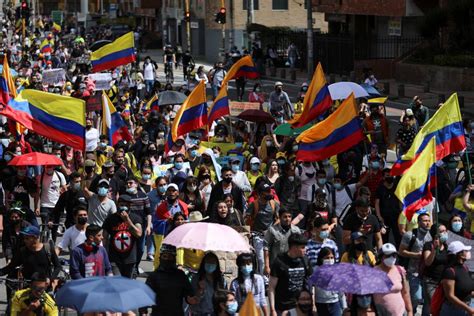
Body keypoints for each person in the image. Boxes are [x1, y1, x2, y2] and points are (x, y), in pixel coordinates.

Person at [146, 244, 198, 316]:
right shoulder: (154, 276)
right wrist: (143, 311)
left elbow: (189, 294)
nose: (167, 259)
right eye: (164, 256)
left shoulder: (180, 275)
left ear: (174, 258)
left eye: (170, 257)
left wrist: (190, 299)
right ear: (160, 257)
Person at [269, 233, 312, 315]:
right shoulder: (279, 262)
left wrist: (312, 303)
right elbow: (271, 288)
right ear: (294, 248)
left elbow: (310, 284)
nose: (305, 249)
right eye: (302, 247)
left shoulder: (305, 261)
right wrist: (272, 309)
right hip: (282, 307)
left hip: (301, 306)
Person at [398, 212, 432, 313]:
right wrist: (416, 255)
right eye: (425, 221)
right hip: (413, 271)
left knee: (428, 300)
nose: (427, 223)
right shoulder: (410, 235)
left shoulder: (432, 235)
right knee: (417, 297)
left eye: (429, 221)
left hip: (427, 272)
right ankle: (410, 312)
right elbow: (401, 251)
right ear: (419, 222)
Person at [102, 194, 143, 278]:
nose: (124, 207)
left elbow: (139, 234)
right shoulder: (110, 219)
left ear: (130, 205)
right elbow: (104, 238)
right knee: (117, 283)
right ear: (117, 204)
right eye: (122, 204)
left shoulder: (135, 218)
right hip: (114, 258)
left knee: (128, 286)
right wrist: (104, 255)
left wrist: (127, 220)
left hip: (130, 259)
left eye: (126, 205)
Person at [373, 243, 413, 316]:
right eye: (388, 255)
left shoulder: (400, 270)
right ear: (381, 257)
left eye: (394, 255)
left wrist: (410, 311)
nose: (391, 258)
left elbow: (405, 293)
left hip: (400, 313)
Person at [439, 241, 474, 315]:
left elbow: (466, 288)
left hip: (467, 307)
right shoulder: (450, 271)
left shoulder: (465, 268)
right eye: (465, 251)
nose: (468, 252)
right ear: (460, 254)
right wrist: (469, 309)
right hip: (453, 311)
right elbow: (450, 296)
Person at [264, 208, 302, 276]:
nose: (287, 219)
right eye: (285, 217)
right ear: (280, 217)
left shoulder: (296, 231)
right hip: (275, 266)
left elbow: (300, 248)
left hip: (290, 266)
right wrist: (267, 266)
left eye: (289, 216)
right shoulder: (272, 230)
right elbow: (266, 248)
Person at [421, 224, 449, 316]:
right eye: (441, 231)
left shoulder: (446, 246)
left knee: (437, 306)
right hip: (431, 282)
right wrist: (434, 249)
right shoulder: (428, 245)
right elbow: (428, 262)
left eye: (445, 231)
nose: (444, 233)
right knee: (435, 306)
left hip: (442, 283)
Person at [314, 247, 346, 316]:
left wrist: (344, 306)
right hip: (320, 304)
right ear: (321, 258)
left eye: (332, 257)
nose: (330, 260)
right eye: (327, 258)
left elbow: (341, 291)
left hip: (335, 304)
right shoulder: (315, 270)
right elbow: (312, 289)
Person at [375, 168, 402, 246]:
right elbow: (377, 203)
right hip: (385, 217)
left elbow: (400, 200)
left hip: (396, 216)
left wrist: (401, 212)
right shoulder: (380, 189)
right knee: (384, 237)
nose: (389, 177)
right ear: (383, 177)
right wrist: (379, 216)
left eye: (391, 175)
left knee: (398, 237)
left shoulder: (397, 187)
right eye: (387, 175)